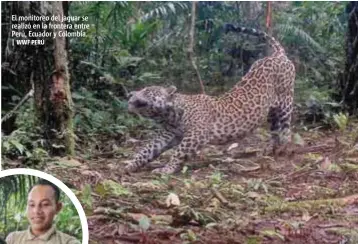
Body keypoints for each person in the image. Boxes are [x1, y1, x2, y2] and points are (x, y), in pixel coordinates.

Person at [5, 179, 81, 244]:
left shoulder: (68, 242)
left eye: (45, 204)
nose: (36, 211)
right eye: (32, 205)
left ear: (58, 208)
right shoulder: (13, 239)